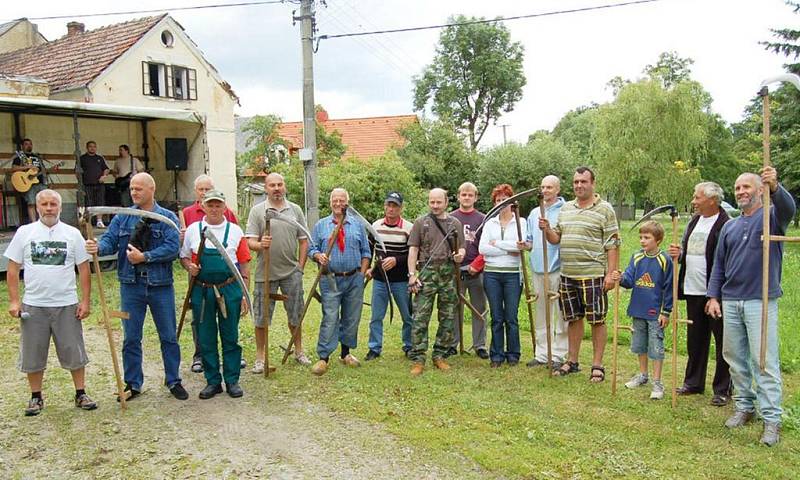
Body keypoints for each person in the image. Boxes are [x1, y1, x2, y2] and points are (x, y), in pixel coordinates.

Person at [706, 166, 795, 447]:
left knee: (763, 361)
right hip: (731, 299)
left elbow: (789, 208)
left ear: (759, 190)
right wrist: (713, 296)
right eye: (738, 188)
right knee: (734, 356)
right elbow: (719, 265)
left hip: (761, 299)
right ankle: (744, 406)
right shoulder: (730, 226)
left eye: (747, 187)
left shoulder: (771, 219)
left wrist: (776, 187)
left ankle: (772, 418)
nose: (741, 191)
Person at [85, 173, 188, 401]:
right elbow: (110, 242)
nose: (134, 193)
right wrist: (97, 247)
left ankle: (173, 380)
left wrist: (145, 256)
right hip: (130, 286)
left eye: (138, 189)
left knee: (168, 336)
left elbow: (172, 248)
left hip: (160, 286)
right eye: (132, 189)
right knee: (131, 337)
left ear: (151, 189)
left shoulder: (167, 218)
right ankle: (133, 383)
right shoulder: (123, 218)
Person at [4, 189, 96, 416]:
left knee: (73, 350)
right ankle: (36, 397)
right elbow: (13, 269)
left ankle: (80, 392)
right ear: (37, 207)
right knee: (33, 352)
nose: (48, 208)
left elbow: (84, 269)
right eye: (44, 204)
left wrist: (85, 301)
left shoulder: (72, 234)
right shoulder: (25, 233)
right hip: (34, 304)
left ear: (60, 207)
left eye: (52, 204)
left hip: (66, 303)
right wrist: (14, 301)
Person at [540, 166, 619, 382]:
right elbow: (556, 238)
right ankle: (572, 361)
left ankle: (597, 365)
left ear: (593, 183)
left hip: (593, 274)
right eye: (576, 182)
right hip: (568, 274)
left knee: (597, 320)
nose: (579, 185)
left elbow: (612, 243)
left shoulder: (605, 209)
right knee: (572, 319)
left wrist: (610, 274)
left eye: (583, 182)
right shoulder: (566, 208)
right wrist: (547, 229)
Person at [181, 190, 251, 399]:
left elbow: (245, 264)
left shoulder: (235, 231)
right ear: (203, 206)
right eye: (210, 205)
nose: (214, 209)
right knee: (206, 336)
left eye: (218, 205)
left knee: (230, 335)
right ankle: (213, 381)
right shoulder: (194, 230)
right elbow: (184, 257)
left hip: (229, 288)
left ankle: (232, 380)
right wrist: (189, 267)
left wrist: (245, 294)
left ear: (224, 207)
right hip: (202, 290)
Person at [667, 182, 732, 406]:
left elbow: (724, 258)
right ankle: (693, 382)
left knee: (722, 340)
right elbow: (691, 250)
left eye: (697, 198)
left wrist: (716, 293)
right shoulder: (695, 221)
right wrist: (680, 253)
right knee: (696, 339)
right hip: (693, 288)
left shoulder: (725, 223)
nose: (693, 202)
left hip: (716, 292)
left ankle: (723, 388)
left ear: (712, 200)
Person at [245, 172, 310, 370]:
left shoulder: (295, 210)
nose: (276, 188)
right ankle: (260, 357)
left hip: (291, 272)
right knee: (261, 317)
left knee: (295, 314)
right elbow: (249, 241)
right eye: (272, 185)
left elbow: (303, 240)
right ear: (266, 188)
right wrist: (260, 244)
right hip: (265, 273)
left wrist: (300, 267)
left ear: (285, 186)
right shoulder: (258, 211)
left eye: (279, 184)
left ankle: (298, 351)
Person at [307, 188, 371, 376]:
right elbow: (311, 249)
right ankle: (323, 357)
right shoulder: (321, 225)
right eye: (335, 200)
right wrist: (318, 256)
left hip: (353, 279)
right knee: (330, 317)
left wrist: (361, 273)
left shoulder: (357, 225)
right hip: (330, 279)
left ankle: (346, 354)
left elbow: (366, 251)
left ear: (347, 203)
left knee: (351, 317)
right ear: (330, 202)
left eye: (342, 200)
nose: (338, 203)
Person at [610, 221, 673, 400]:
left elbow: (669, 288)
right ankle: (643, 375)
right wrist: (620, 277)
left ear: (658, 240)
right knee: (639, 345)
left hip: (655, 313)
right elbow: (629, 279)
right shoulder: (637, 256)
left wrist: (666, 311)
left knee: (656, 346)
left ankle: (657, 382)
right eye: (641, 237)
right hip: (638, 309)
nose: (643, 241)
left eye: (647, 237)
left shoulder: (664, 260)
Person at [407, 188, 465, 376]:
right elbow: (413, 250)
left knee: (447, 316)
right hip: (426, 273)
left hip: (448, 273)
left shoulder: (455, 223)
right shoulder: (420, 223)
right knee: (420, 317)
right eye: (432, 202)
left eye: (438, 202)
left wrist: (459, 256)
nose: (435, 206)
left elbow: (461, 249)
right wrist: (412, 274)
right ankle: (418, 358)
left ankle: (440, 355)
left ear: (446, 202)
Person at [522, 175, 568, 368]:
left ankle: (558, 355)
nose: (545, 190)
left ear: (557, 190)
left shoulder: (566, 210)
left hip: (557, 267)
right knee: (541, 312)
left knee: (560, 313)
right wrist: (525, 244)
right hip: (538, 268)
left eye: (549, 187)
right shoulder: (534, 213)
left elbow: (563, 238)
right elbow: (531, 240)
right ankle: (542, 353)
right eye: (542, 187)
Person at [478, 184, 525, 367]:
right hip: (492, 275)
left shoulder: (521, 222)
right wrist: (508, 247)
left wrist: (496, 243)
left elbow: (521, 247)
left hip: (513, 275)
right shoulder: (490, 223)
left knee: (511, 316)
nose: (501, 203)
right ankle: (496, 354)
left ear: (511, 202)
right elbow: (483, 249)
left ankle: (513, 353)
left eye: (505, 199)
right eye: (498, 200)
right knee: (497, 316)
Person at [365, 191, 414, 360]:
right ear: (385, 206)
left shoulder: (409, 228)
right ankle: (374, 348)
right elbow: (369, 249)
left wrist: (396, 260)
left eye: (395, 206)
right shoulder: (375, 226)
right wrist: (369, 268)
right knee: (376, 316)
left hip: (401, 279)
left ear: (401, 208)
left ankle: (409, 346)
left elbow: (414, 253)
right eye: (389, 205)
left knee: (407, 316)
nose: (391, 209)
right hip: (380, 279)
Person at [449, 182, 489, 359]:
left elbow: (486, 245)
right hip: (454, 270)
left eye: (470, 195)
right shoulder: (450, 218)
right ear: (458, 196)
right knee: (454, 308)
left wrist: (477, 265)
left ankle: (479, 344)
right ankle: (452, 343)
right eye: (463, 194)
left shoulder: (482, 219)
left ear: (476, 197)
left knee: (478, 308)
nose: (466, 197)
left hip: (475, 270)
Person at [11, 138, 47, 223]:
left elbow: (43, 170)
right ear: (22, 146)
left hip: (40, 182)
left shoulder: (37, 156)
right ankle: (34, 224)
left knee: (44, 203)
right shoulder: (20, 156)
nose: (29, 145)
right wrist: (28, 167)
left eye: (30, 144)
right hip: (28, 184)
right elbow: (14, 168)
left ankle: (43, 222)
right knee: (31, 203)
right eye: (26, 144)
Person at [79, 141, 111, 227]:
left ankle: (99, 221)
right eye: (90, 146)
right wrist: (80, 183)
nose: (92, 148)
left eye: (94, 146)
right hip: (87, 184)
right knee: (89, 203)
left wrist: (104, 176)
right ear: (87, 147)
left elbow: (106, 169)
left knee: (100, 202)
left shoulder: (100, 158)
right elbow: (77, 171)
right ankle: (88, 222)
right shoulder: (82, 158)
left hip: (99, 184)